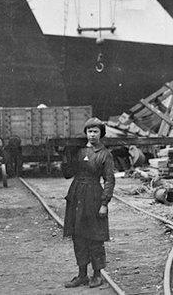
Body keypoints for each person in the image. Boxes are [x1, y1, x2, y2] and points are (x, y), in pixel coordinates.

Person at [62, 118, 115, 289]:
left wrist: (104, 203)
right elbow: (67, 174)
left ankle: (97, 275)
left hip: (94, 196)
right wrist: (65, 155)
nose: (92, 135)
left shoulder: (104, 154)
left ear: (101, 134)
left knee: (95, 236)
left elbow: (109, 180)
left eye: (95, 132)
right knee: (78, 236)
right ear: (86, 133)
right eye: (90, 131)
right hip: (76, 194)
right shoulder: (79, 151)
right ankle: (82, 274)